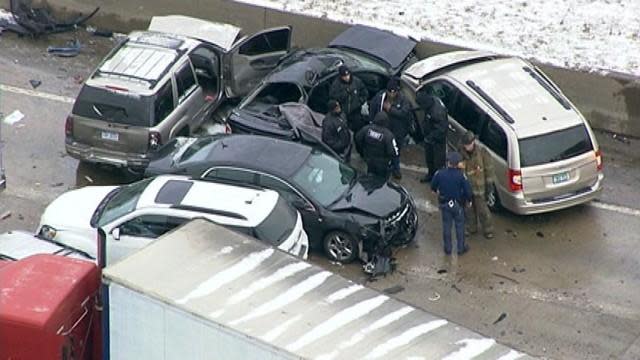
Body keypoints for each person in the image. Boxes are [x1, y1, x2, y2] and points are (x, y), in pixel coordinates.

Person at [369, 77, 413, 179]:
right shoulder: (380, 97)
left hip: (398, 132)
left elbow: (404, 113)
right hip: (384, 130)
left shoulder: (403, 99)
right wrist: (372, 122)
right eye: (390, 92)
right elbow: (373, 108)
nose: (392, 94)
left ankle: (396, 169)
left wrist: (390, 109)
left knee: (395, 151)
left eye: (394, 92)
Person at [431, 151, 473, 255]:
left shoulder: (439, 173)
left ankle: (448, 249)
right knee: (460, 226)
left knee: (446, 226)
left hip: (445, 204)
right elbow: (468, 191)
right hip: (458, 205)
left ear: (448, 162)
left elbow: (433, 188)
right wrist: (469, 201)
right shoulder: (461, 176)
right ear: (457, 163)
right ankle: (460, 248)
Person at [459, 131, 495, 239]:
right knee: (468, 210)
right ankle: (471, 228)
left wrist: (489, 186)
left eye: (469, 144)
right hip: (467, 188)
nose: (467, 147)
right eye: (465, 145)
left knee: (483, 210)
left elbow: (489, 170)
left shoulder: (482, 152)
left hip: (480, 188)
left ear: (473, 142)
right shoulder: (460, 154)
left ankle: (488, 230)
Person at [355, 112, 399, 180]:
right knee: (382, 181)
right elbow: (393, 152)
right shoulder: (388, 135)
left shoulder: (367, 129)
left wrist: (363, 151)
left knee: (370, 177)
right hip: (382, 163)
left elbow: (358, 138)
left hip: (369, 159)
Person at [416, 91, 448, 183]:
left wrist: (430, 137)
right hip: (429, 138)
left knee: (438, 163)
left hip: (438, 141)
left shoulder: (438, 112)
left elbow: (441, 129)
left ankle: (439, 182)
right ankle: (430, 175)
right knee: (429, 159)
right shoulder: (431, 103)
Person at [329, 65, 369, 133]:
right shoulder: (336, 85)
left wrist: (359, 102)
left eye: (348, 75)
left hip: (355, 112)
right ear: (341, 76)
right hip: (342, 112)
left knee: (358, 128)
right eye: (344, 76)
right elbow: (333, 97)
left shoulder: (357, 82)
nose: (347, 77)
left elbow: (365, 93)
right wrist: (345, 94)